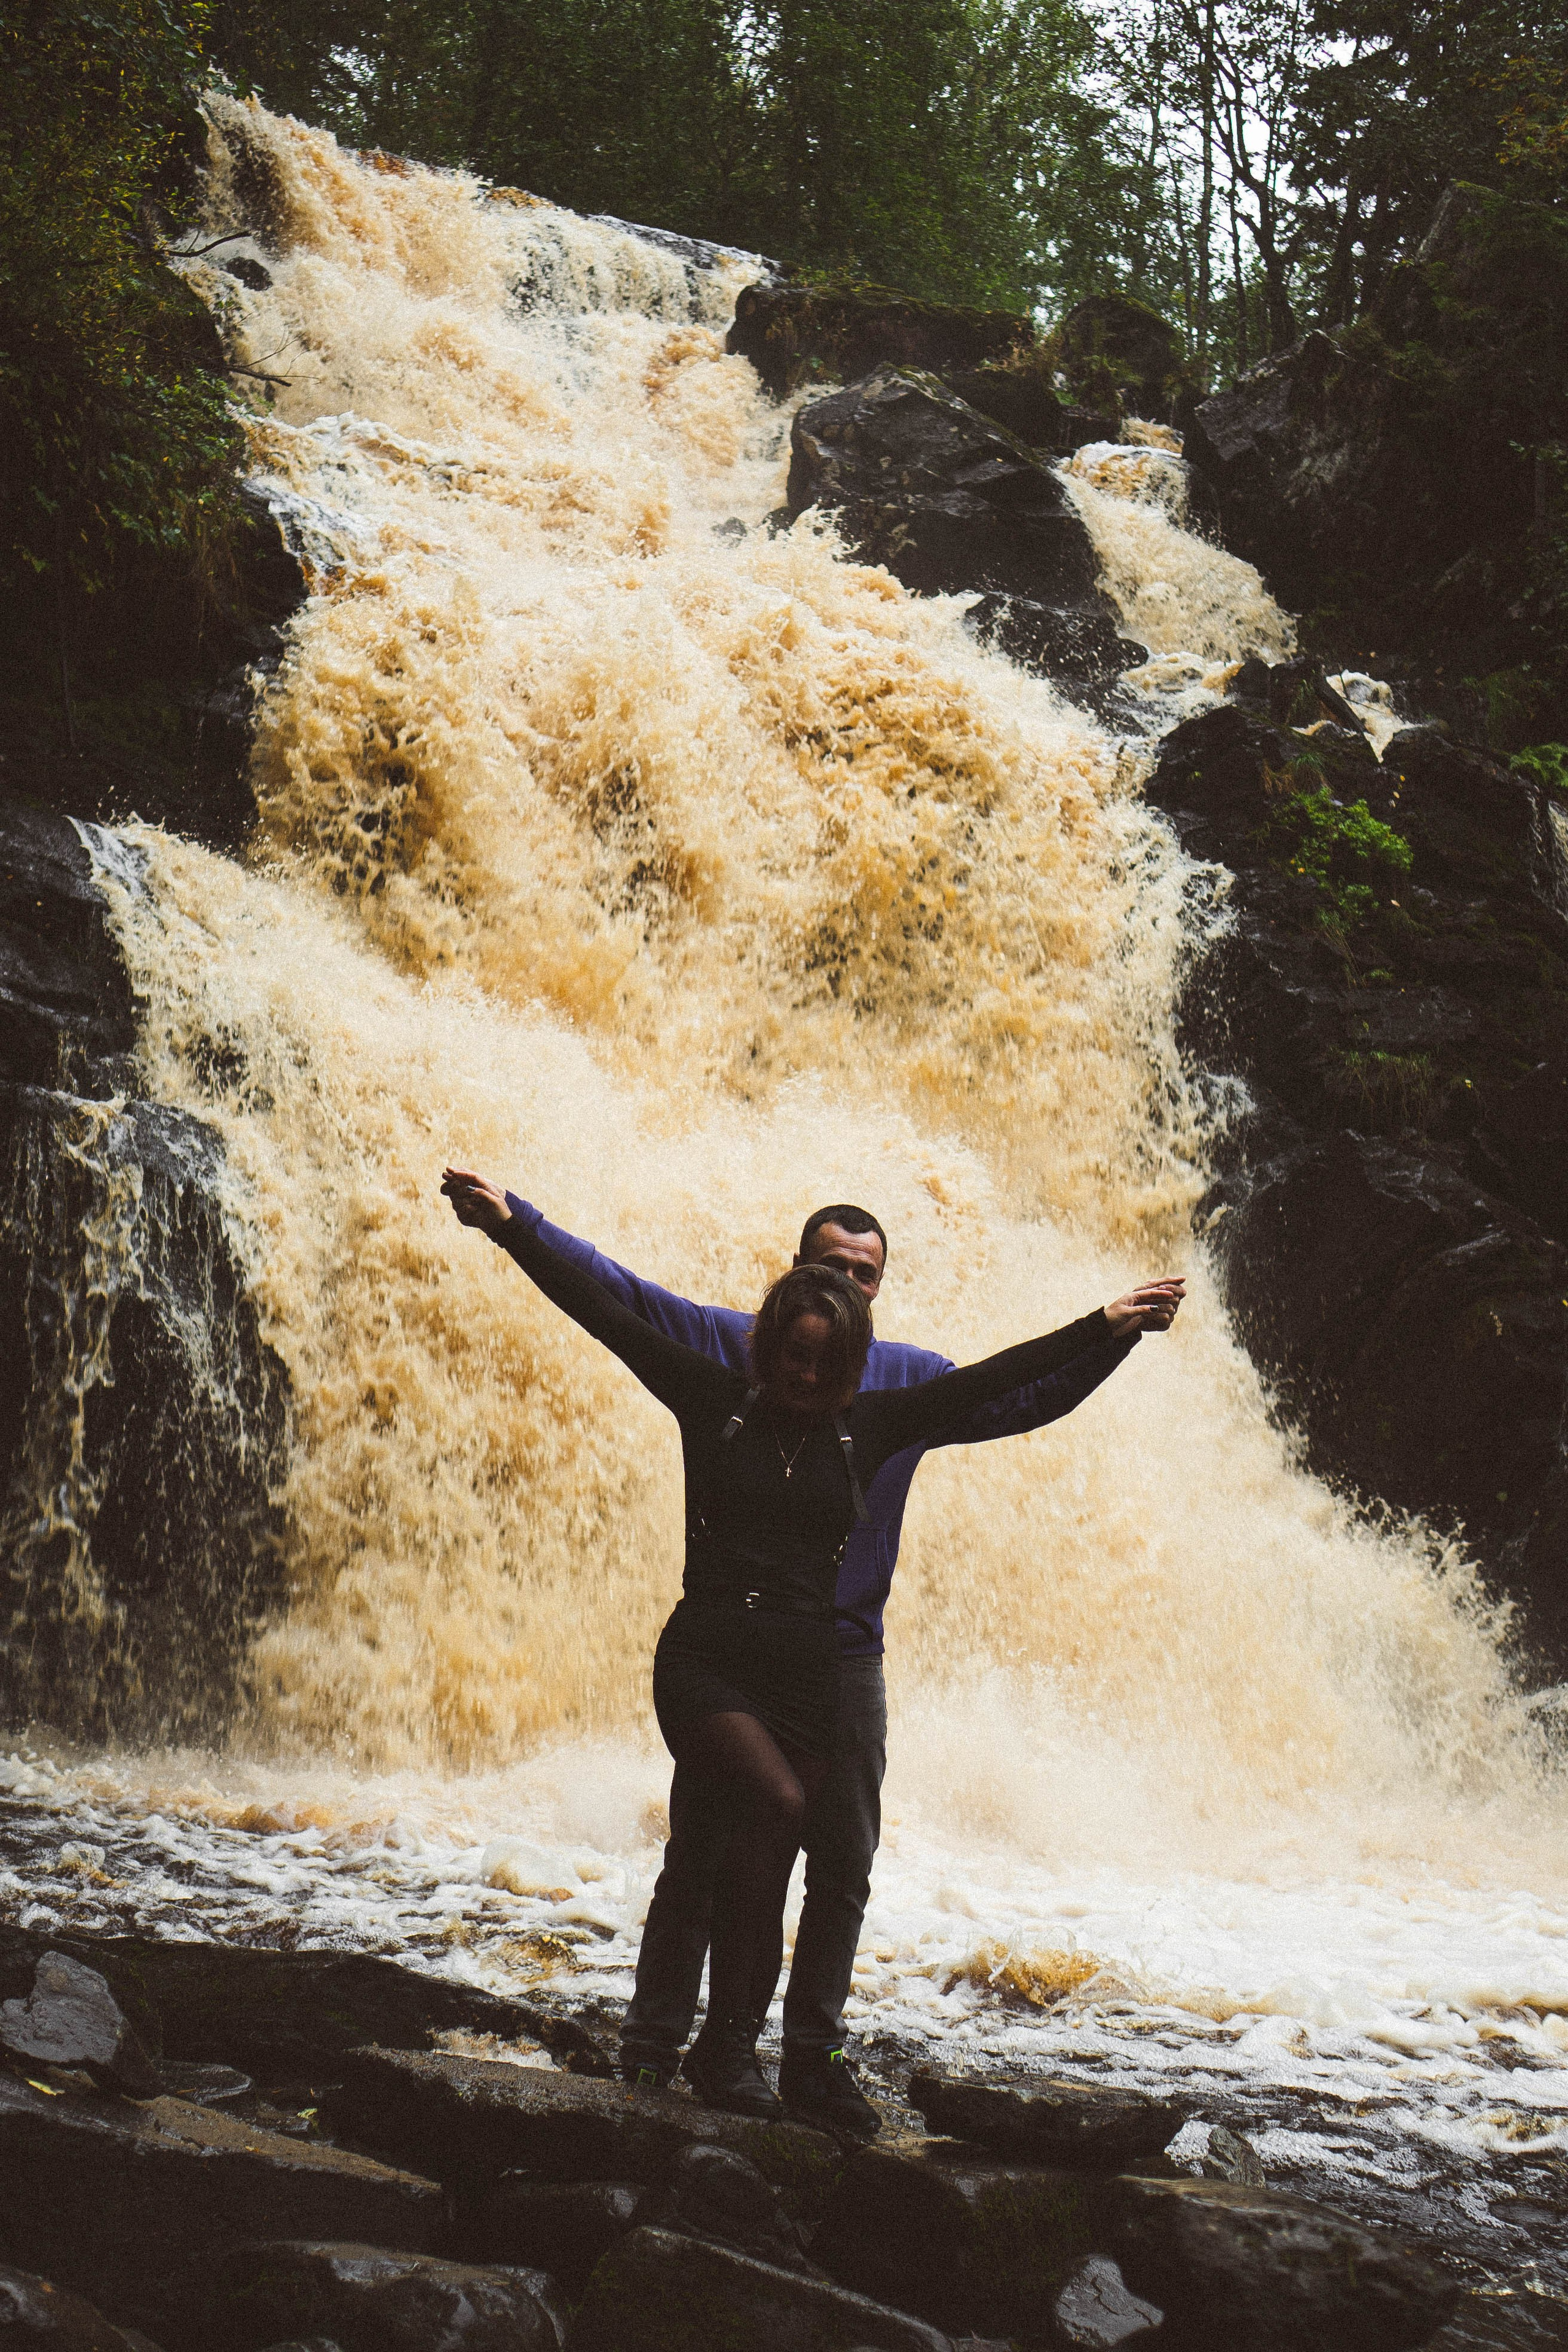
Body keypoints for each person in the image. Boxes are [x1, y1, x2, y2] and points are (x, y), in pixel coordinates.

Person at [442, 1166, 1183, 2129]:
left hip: (832, 1664)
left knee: (832, 1860)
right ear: (789, 1285)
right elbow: (610, 1302)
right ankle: (659, 2048)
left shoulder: (893, 1393)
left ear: (878, 1293)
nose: (841, 1300)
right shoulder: (721, 1360)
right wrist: (515, 1223)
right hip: (719, 1652)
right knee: (709, 1848)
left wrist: (1112, 1332)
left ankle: (799, 2056)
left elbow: (1015, 1389)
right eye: (830, 1269)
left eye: (865, 1274)